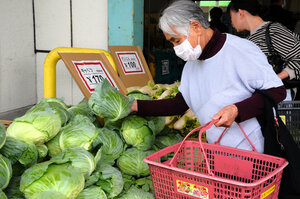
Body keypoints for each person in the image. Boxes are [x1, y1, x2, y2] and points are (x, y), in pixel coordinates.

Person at [131, 0, 286, 153]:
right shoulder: (191, 65)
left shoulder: (239, 49)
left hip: (253, 150)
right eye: (172, 43)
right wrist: (135, 106)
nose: (176, 48)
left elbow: (277, 91)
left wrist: (236, 110)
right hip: (217, 151)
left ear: (196, 26)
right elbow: (179, 104)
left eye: (177, 41)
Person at [228, 0, 300, 100]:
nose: (231, 22)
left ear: (240, 12)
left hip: (281, 99)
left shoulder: (273, 30)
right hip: (264, 99)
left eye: (231, 16)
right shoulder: (249, 39)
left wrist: (275, 79)